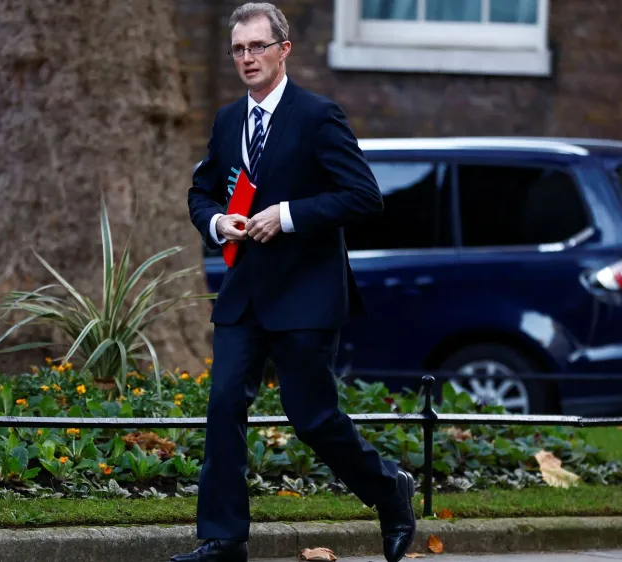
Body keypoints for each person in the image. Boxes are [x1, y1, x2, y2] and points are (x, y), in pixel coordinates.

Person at [176, 3, 417, 562]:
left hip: (305, 296)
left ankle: (389, 489)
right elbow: (201, 192)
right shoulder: (229, 120)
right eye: (238, 49)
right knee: (223, 407)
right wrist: (217, 221)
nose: (247, 58)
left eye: (257, 46)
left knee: (312, 418)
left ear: (284, 50)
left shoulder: (318, 115)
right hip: (244, 294)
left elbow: (364, 196)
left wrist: (285, 215)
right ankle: (223, 538)